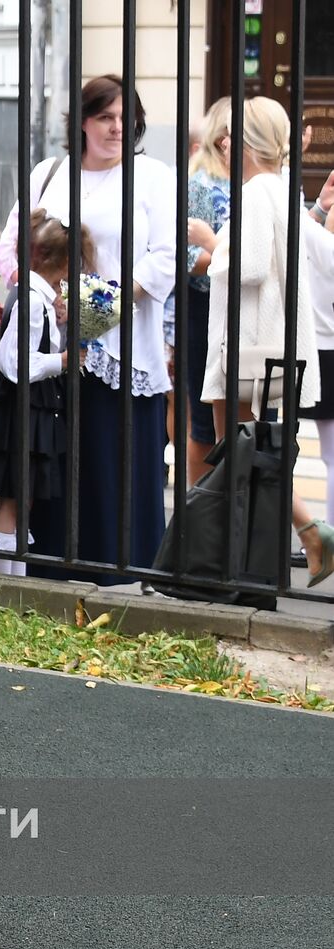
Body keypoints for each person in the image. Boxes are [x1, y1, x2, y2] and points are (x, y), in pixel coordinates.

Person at [0, 74, 177, 585]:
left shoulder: (153, 177)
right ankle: (51, 579)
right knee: (56, 470)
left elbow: (164, 260)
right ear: (81, 122)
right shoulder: (49, 173)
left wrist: (92, 308)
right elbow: (9, 250)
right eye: (105, 117)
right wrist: (42, 297)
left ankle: (123, 586)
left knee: (116, 471)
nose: (118, 128)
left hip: (123, 349)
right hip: (50, 350)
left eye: (126, 118)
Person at [197, 97, 332, 586]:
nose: (224, 143)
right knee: (242, 453)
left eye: (233, 135)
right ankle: (271, 546)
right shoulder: (280, 189)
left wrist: (212, 250)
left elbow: (247, 267)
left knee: (237, 451)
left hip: (244, 346)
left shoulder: (255, 193)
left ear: (249, 141)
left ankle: (289, 539)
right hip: (267, 344)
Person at [0, 210, 95, 574]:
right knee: (13, 500)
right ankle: (1, 589)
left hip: (32, 408)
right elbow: (15, 362)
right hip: (23, 408)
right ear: (63, 265)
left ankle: (15, 580)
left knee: (22, 498)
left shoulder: (37, 297)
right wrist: (62, 360)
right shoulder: (30, 300)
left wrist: (58, 322)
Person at [182, 97, 233, 485]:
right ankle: (199, 510)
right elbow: (186, 259)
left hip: (247, 308)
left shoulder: (255, 182)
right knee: (205, 417)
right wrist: (226, 253)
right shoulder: (201, 184)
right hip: (206, 307)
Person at [299, 171, 334, 550]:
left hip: (317, 349)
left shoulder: (320, 244)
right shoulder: (322, 243)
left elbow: (297, 225)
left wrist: (318, 210)